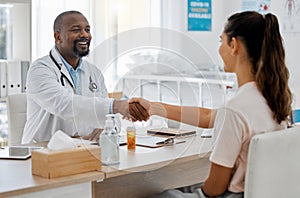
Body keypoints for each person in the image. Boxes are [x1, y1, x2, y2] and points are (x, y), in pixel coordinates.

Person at [129, 11, 293, 197]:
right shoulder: (272, 98)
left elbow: (214, 189)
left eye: (221, 41)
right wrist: (154, 107)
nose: (219, 48)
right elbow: (209, 117)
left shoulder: (235, 109)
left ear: (234, 45)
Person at [22, 10, 148, 144]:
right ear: (58, 37)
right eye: (76, 30)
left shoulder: (94, 72)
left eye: (87, 30)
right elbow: (65, 104)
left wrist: (107, 127)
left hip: (82, 149)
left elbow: (111, 117)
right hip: (43, 151)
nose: (84, 35)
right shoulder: (40, 69)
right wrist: (116, 105)